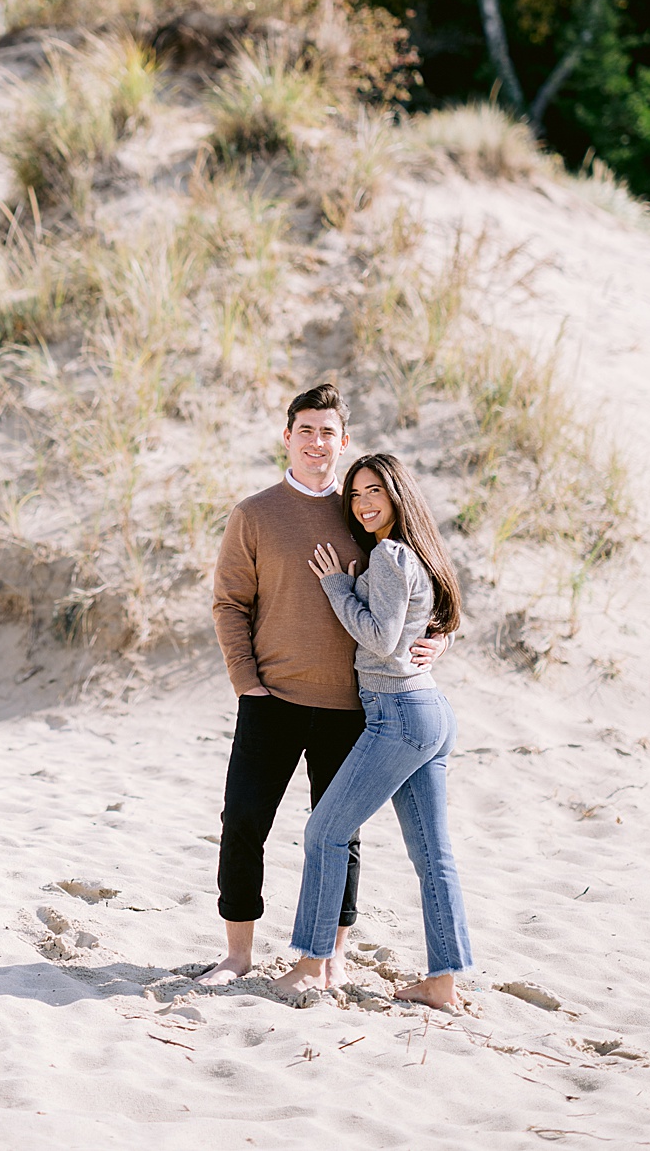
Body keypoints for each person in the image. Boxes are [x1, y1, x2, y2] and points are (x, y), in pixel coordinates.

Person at [203, 387, 446, 989]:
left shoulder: (363, 510)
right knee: (243, 824)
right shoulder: (254, 514)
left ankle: (331, 958)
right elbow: (229, 603)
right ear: (287, 437)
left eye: (328, 432)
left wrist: (439, 636)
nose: (317, 442)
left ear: (344, 441)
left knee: (341, 835)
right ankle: (237, 955)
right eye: (305, 430)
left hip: (352, 706)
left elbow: (425, 578)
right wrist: (246, 682)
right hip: (272, 701)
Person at [275, 452, 473, 1011]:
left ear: (395, 496)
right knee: (434, 855)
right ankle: (443, 981)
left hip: (398, 715)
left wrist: (337, 586)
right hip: (430, 709)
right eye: (355, 495)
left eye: (373, 494)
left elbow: (382, 640)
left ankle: (313, 965)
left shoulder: (388, 553)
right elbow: (429, 623)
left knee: (324, 833)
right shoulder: (416, 553)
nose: (362, 504)